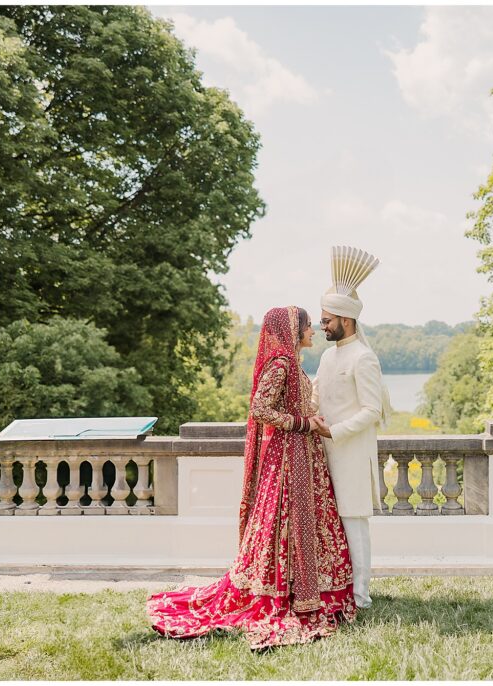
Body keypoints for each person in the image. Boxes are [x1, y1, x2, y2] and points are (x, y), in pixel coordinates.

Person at [146, 306, 356, 650]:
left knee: (307, 524)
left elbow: (293, 404)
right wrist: (301, 424)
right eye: (307, 326)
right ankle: (285, 594)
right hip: (287, 460)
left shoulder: (293, 364)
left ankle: (308, 591)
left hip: (303, 456)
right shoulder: (281, 365)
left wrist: (311, 419)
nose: (312, 331)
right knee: (282, 523)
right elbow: (260, 409)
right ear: (292, 329)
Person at [311, 246, 392, 610]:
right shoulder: (328, 355)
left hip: (352, 454)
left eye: (327, 320)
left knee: (355, 525)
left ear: (346, 319)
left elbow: (372, 410)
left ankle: (361, 596)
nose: (322, 326)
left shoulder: (364, 357)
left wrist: (335, 431)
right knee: (332, 524)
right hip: (324, 453)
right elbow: (317, 397)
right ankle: (338, 589)